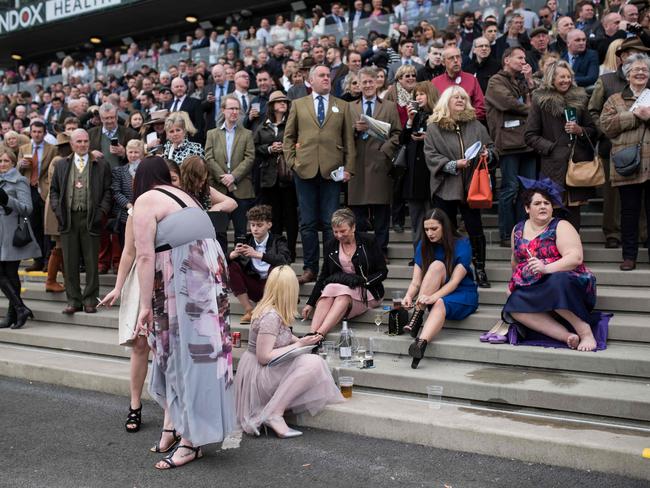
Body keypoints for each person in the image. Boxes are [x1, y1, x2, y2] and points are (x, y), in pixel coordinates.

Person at [133, 156, 236, 469]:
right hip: (208, 272)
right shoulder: (185, 197)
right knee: (203, 357)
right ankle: (184, 430)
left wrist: (145, 306)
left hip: (186, 275)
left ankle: (190, 441)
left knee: (188, 359)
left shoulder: (145, 201)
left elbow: (145, 256)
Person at [234, 265, 343, 437]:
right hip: (258, 374)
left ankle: (275, 411)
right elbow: (264, 357)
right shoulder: (270, 316)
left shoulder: (275, 310)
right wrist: (298, 346)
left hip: (264, 370)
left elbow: (282, 336)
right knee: (312, 363)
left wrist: (302, 341)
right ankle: (274, 413)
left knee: (311, 360)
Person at [502, 180, 603, 352]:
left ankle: (585, 332)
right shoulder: (517, 230)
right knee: (513, 305)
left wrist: (546, 268)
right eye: (537, 203)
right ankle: (566, 336)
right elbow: (516, 261)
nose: (543, 206)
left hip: (567, 281)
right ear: (527, 209)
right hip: (534, 283)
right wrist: (513, 284)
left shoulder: (561, 226)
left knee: (555, 281)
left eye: (547, 203)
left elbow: (575, 258)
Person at [283, 65, 356, 285]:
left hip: (332, 173)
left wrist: (349, 168)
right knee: (307, 223)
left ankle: (331, 267)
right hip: (304, 171)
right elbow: (288, 137)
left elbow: (349, 141)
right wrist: (292, 163)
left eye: (328, 76)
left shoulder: (342, 106)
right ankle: (310, 268)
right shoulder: (298, 104)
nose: (327, 78)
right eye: (322, 76)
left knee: (329, 222)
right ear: (311, 80)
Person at [424, 86, 495, 288]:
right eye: (456, 97)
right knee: (446, 230)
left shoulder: (476, 125)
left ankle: (480, 269)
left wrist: (487, 155)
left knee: (475, 228)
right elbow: (430, 155)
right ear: (446, 101)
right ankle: (448, 269)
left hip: (471, 186)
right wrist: (454, 164)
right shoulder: (434, 127)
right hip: (445, 185)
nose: (460, 100)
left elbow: (491, 147)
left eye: (463, 97)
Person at [525, 60, 598, 231]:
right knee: (552, 213)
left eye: (568, 76)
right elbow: (529, 135)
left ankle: (573, 253)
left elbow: (593, 130)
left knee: (574, 213)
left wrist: (580, 130)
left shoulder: (580, 99)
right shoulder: (540, 101)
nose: (565, 80)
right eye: (561, 77)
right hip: (552, 166)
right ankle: (554, 254)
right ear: (552, 79)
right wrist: (551, 148)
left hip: (576, 165)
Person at [401, 208, 479, 369]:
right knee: (437, 266)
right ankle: (418, 317)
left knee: (440, 302)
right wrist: (408, 296)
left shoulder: (462, 244)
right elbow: (416, 282)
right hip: (433, 291)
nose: (430, 233)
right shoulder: (423, 245)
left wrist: (432, 298)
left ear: (445, 226)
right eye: (426, 229)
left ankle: (421, 341)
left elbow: (454, 282)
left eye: (434, 228)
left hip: (462, 293)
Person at [49, 129, 112, 315]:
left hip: (91, 217)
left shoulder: (101, 164)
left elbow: (108, 191)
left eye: (85, 141)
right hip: (68, 219)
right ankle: (74, 301)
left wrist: (101, 212)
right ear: (72, 144)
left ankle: (90, 300)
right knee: (69, 262)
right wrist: (58, 211)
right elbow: (54, 191)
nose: (83, 144)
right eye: (79, 141)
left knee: (92, 262)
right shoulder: (62, 164)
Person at [301, 208, 387, 337]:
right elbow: (324, 275)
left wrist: (364, 281)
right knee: (329, 290)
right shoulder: (331, 244)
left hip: (368, 291)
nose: (339, 235)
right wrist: (310, 303)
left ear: (353, 227)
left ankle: (319, 335)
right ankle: (311, 334)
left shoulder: (369, 241)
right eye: (335, 231)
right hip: (342, 286)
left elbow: (383, 272)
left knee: (343, 296)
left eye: (343, 231)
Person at [600, 53, 650, 271]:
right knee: (628, 213)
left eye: (645, 70)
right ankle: (629, 256)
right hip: (628, 164)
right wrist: (635, 116)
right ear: (627, 74)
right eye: (636, 70)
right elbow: (606, 126)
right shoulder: (615, 99)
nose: (640, 73)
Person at [348, 67, 402, 262]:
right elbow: (343, 135)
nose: (368, 85)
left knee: (381, 213)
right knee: (358, 214)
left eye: (371, 81)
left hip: (380, 164)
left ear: (377, 83)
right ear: (359, 84)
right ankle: (361, 249)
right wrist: (354, 130)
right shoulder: (350, 107)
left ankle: (381, 250)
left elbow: (397, 134)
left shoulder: (389, 106)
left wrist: (385, 151)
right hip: (357, 165)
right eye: (364, 82)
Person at [485, 47, 537, 247]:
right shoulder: (495, 81)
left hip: (528, 143)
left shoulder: (522, 81)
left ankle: (524, 231)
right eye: (520, 57)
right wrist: (533, 111)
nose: (524, 61)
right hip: (508, 144)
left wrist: (530, 81)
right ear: (507, 60)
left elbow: (535, 98)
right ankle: (507, 234)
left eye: (525, 57)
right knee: (510, 189)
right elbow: (508, 103)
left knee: (528, 190)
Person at [205, 94, 256, 242]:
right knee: (219, 232)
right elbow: (209, 158)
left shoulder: (247, 134)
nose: (234, 112)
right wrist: (223, 177)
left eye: (237, 109)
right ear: (223, 110)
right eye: (231, 108)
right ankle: (221, 264)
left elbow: (250, 157)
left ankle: (239, 264)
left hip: (241, 189)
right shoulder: (212, 134)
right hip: (218, 189)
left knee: (241, 232)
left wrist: (233, 176)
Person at [254, 91, 298, 261]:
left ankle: (291, 252)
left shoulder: (291, 123)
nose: (283, 104)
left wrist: (286, 148)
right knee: (274, 217)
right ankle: (279, 252)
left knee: (290, 216)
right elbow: (255, 148)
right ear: (271, 105)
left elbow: (298, 142)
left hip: (287, 175)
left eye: (285, 102)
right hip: (269, 177)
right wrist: (270, 149)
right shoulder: (262, 126)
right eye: (279, 102)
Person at [229, 205, 291, 324]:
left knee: (276, 268)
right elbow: (224, 264)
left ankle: (270, 309)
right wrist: (233, 254)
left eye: (259, 225)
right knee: (231, 266)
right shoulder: (246, 240)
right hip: (254, 284)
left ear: (269, 225)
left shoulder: (278, 240)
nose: (255, 229)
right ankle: (249, 310)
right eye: (252, 225)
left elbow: (285, 260)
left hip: (273, 285)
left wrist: (258, 254)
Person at [0, 147, 40, 329]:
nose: (2, 165)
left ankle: (15, 312)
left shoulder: (20, 180)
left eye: (6, 161)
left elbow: (27, 208)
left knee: (10, 273)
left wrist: (7, 200)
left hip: (12, 234)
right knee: (6, 274)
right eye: (0, 161)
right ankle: (18, 310)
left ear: (13, 163)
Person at [401, 82, 437, 256]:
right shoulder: (415, 117)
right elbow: (402, 140)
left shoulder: (438, 116)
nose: (418, 98)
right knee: (416, 219)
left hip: (430, 175)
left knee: (432, 217)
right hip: (413, 176)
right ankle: (418, 254)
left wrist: (428, 137)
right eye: (416, 95)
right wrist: (409, 120)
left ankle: (432, 253)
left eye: (422, 94)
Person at [17, 121, 57, 273]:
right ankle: (38, 260)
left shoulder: (52, 149)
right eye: (34, 132)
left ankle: (48, 260)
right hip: (29, 190)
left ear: (44, 133)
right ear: (30, 133)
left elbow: (55, 169)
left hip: (45, 190)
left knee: (47, 227)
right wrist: (21, 165)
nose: (37, 134)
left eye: (39, 132)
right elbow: (17, 172)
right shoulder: (24, 149)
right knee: (33, 227)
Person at [432, 47, 486, 121]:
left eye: (458, 57)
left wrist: (466, 120)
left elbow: (480, 107)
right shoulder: (435, 82)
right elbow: (433, 108)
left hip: (468, 124)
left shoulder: (471, 79)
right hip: (444, 126)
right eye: (451, 58)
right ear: (443, 63)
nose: (456, 60)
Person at [111, 139, 144, 248]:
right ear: (126, 152)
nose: (133, 155)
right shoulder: (119, 171)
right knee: (126, 246)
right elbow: (116, 192)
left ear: (141, 153)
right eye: (130, 152)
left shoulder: (147, 170)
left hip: (144, 212)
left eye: (136, 152)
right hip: (125, 215)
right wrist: (129, 205)